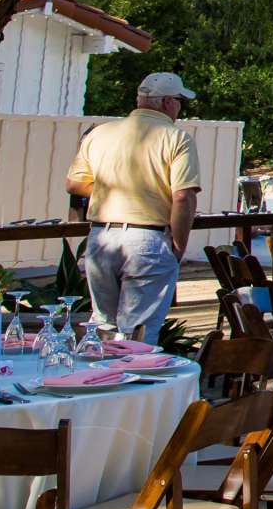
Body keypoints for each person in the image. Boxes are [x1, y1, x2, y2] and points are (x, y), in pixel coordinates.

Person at [67, 71, 202, 340]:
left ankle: (102, 379)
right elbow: (183, 197)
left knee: (104, 326)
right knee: (139, 332)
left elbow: (74, 183)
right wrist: (178, 245)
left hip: (102, 236)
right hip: (148, 236)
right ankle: (135, 380)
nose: (179, 107)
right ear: (166, 102)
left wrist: (115, 193)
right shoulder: (176, 138)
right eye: (178, 100)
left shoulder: (100, 133)